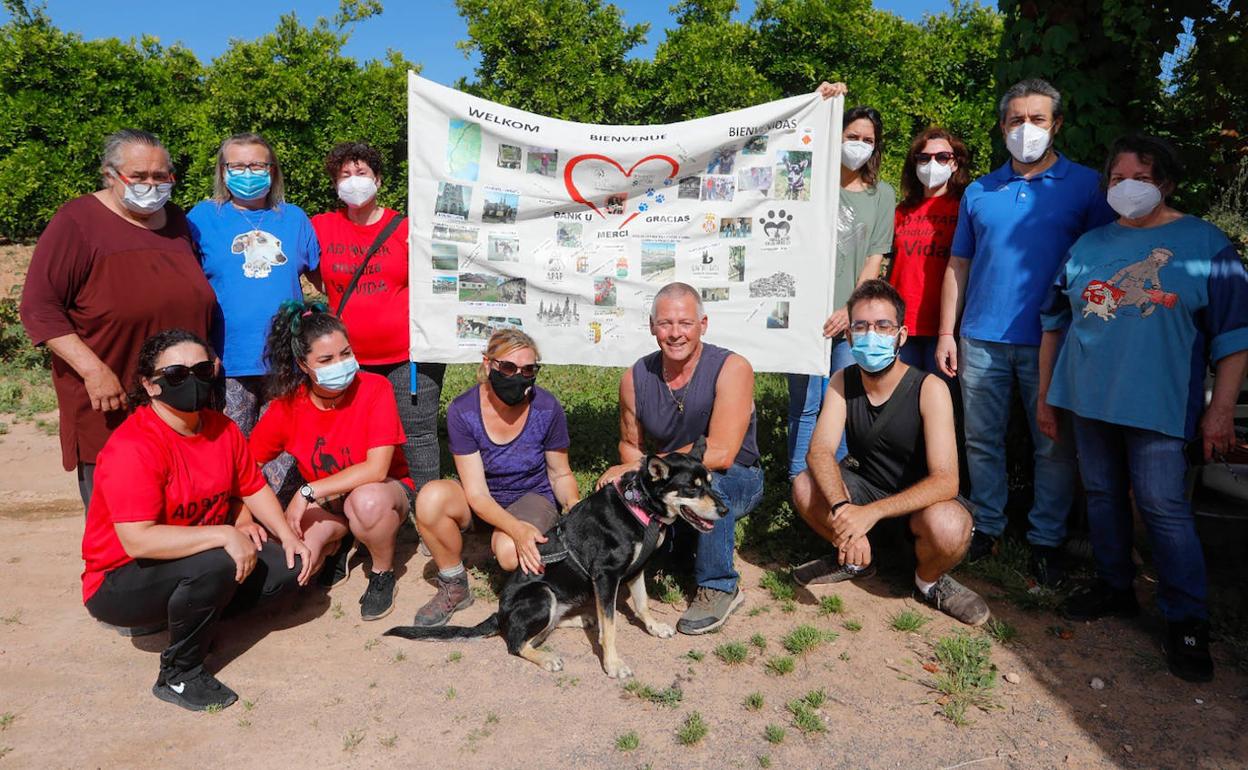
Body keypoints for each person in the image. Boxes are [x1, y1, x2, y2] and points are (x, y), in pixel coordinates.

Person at [1038, 135, 1248, 682]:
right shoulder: (1087, 244)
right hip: (1087, 399)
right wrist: (1045, 395)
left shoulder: (1207, 245)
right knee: (1103, 495)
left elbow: (1235, 337)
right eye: (1116, 178)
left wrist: (1219, 410)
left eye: (1141, 178)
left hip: (1158, 403)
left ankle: (1186, 620)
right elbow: (1054, 323)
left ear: (1167, 184)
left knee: (1161, 506)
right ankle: (1114, 586)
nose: (1126, 187)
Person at [934, 78, 1117, 583]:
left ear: (1056, 124)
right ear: (1002, 127)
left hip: (1054, 342)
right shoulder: (979, 190)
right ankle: (987, 527)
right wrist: (948, 333)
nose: (1026, 129)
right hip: (980, 338)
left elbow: (1106, 260)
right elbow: (958, 265)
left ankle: (1046, 540)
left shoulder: (1086, 188)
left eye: (1037, 119)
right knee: (981, 441)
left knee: (1053, 445)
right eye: (1016, 120)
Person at [81, 329, 312, 712]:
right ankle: (179, 673)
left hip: (188, 557)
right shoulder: (134, 446)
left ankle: (193, 616)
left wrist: (288, 535)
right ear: (149, 385)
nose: (191, 380)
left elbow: (252, 486)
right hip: (119, 578)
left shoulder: (222, 428)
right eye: (175, 374)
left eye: (202, 369)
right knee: (219, 560)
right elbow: (138, 541)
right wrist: (225, 532)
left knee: (289, 566)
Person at [20, 129, 215, 509]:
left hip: (179, 400)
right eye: (138, 176)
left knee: (180, 508)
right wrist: (93, 370)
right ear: (110, 175)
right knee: (123, 519)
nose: (151, 185)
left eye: (161, 177)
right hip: (112, 400)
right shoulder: (77, 221)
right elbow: (39, 307)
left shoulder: (177, 223)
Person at [789, 280, 989, 625]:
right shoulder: (843, 381)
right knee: (805, 486)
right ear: (849, 336)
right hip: (863, 496)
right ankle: (857, 559)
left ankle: (928, 581)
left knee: (951, 524)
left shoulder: (930, 388)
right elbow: (819, 451)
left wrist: (871, 513)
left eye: (883, 326)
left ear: (902, 335)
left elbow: (946, 481)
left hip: (920, 507)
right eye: (861, 326)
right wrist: (844, 510)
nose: (872, 335)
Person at [599, 282, 764, 634]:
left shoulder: (733, 368)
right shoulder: (634, 377)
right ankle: (609, 565)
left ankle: (719, 585)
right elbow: (630, 445)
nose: (675, 333)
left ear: (703, 325)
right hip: (673, 479)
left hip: (736, 475)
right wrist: (633, 472)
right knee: (624, 489)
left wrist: (638, 466)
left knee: (708, 483)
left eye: (685, 323)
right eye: (666, 324)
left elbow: (720, 451)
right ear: (652, 327)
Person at [248, 300, 413, 621]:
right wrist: (244, 518)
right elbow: (246, 467)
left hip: (382, 493)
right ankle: (338, 542)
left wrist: (306, 492)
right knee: (297, 566)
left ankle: (381, 572)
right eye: (326, 359)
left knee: (366, 503)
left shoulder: (376, 388)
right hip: (329, 505)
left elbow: (376, 469)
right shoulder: (287, 406)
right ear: (303, 364)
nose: (341, 364)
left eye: (346, 353)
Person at [410, 330, 579, 626]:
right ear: (488, 364)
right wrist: (516, 528)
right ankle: (454, 585)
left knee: (509, 552)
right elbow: (476, 493)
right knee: (430, 498)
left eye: (529, 370)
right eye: (509, 368)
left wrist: (575, 506)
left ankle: (538, 577)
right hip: (484, 499)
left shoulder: (546, 407)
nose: (519, 376)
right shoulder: (463, 410)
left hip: (531, 496)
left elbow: (560, 472)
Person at [187, 132, 320, 495]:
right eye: (238, 165)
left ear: (272, 170)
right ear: (222, 171)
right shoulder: (201, 219)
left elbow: (327, 280)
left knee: (282, 452)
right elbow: (183, 288)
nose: (249, 172)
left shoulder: (293, 218)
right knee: (230, 447)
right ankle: (233, 524)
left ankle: (278, 533)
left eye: (258, 164)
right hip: (226, 359)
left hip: (286, 360)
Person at [311, 141, 445, 492]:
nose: (354, 181)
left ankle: (429, 516)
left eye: (362, 173)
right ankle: (370, 512)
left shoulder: (406, 229)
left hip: (409, 356)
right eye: (345, 175)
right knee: (358, 438)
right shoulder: (321, 227)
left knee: (417, 435)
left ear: (378, 180)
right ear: (335, 185)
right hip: (348, 361)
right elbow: (310, 272)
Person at [789, 86, 897, 479]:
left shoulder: (882, 195)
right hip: (805, 317)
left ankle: (838, 479)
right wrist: (820, 102)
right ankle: (799, 479)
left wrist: (847, 311)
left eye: (868, 140)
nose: (859, 145)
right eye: (852, 136)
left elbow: (874, 258)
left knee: (846, 399)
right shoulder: (810, 184)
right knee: (805, 403)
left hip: (852, 319)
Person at [890, 127, 970, 378]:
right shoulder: (901, 211)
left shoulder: (965, 208)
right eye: (923, 158)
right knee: (903, 403)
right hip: (902, 325)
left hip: (946, 329)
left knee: (942, 404)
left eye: (942, 157)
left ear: (955, 163)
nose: (932, 163)